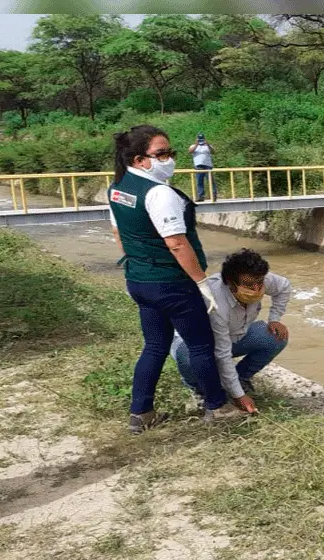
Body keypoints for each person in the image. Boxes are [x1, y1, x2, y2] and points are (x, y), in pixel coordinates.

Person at [108, 124, 246, 434]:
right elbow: (177, 243)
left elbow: (119, 233)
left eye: (170, 152)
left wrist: (139, 263)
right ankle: (216, 406)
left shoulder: (118, 188)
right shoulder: (159, 194)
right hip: (172, 284)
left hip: (141, 281)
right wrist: (200, 281)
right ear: (139, 159)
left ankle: (140, 412)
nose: (170, 158)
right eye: (161, 154)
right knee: (201, 345)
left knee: (154, 346)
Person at [171, 249, 291, 415]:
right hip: (200, 343)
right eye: (249, 285)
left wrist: (275, 319)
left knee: (276, 337)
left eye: (260, 282)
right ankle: (199, 389)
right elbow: (222, 353)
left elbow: (284, 287)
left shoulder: (259, 279)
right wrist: (239, 396)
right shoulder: (216, 302)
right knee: (187, 355)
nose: (257, 289)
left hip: (236, 335)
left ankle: (241, 378)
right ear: (230, 283)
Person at [188, 133, 216, 201]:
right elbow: (190, 151)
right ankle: (201, 196)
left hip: (208, 166)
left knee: (211, 181)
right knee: (199, 182)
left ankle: (214, 195)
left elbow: (213, 152)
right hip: (198, 166)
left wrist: (208, 144)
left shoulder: (208, 146)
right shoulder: (193, 146)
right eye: (199, 139)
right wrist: (196, 144)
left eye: (202, 139)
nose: (201, 141)